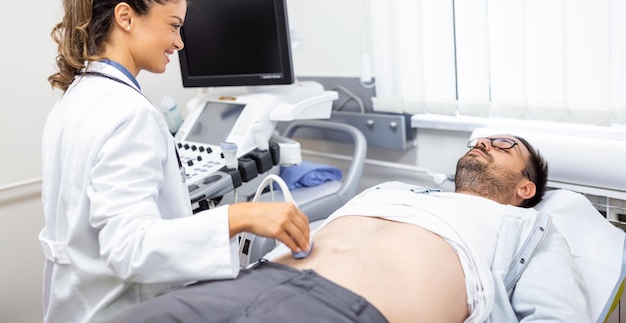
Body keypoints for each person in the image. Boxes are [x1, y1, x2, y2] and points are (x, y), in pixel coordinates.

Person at [39, 0, 310, 323]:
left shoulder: (75, 98)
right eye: (173, 25)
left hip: (74, 305)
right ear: (126, 18)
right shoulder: (129, 114)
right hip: (120, 311)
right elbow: (130, 247)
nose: (179, 42)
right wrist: (240, 216)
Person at [107, 134, 591, 323]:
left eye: (502, 145)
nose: (482, 142)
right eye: (479, 140)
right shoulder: (393, 190)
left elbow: (558, 314)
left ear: (526, 187)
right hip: (251, 282)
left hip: (344, 312)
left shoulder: (530, 227)